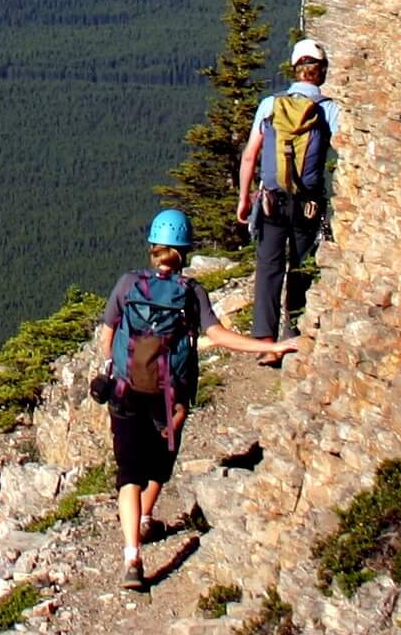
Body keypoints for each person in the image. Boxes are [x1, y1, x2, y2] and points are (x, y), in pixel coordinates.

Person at [91, 209, 296, 590]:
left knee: (128, 475)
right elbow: (218, 336)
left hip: (124, 389)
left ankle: (132, 556)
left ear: (153, 247)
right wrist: (274, 345)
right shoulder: (191, 292)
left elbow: (108, 334)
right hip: (171, 398)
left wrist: (109, 367)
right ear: (185, 251)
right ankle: (147, 517)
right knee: (160, 462)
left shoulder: (127, 284)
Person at [238, 38, 341, 345]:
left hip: (271, 200)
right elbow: (344, 150)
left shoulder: (271, 105)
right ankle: (293, 332)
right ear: (321, 72)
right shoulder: (328, 110)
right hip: (307, 203)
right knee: (299, 264)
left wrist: (245, 198)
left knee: (269, 265)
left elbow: (249, 155)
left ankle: (265, 342)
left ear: (296, 70)